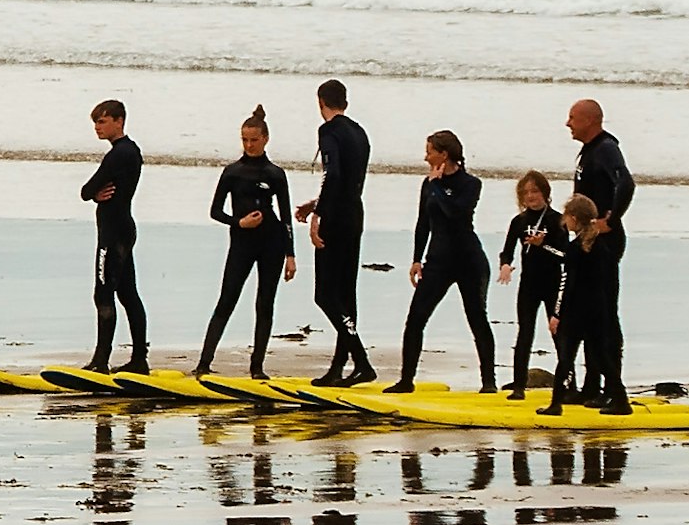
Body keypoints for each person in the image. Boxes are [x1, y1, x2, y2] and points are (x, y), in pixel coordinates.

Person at [388, 129, 496, 393]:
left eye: (429, 152)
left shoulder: (471, 184)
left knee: (477, 318)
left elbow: (455, 212)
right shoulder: (428, 184)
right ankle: (406, 381)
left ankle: (489, 383)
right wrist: (416, 259)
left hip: (469, 261)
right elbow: (423, 222)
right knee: (415, 319)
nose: (425, 157)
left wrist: (436, 185)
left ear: (444, 154)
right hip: (438, 261)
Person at [193, 106, 294, 376]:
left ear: (265, 139)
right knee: (227, 300)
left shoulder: (275, 174)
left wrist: (291, 255)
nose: (249, 145)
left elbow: (285, 216)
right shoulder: (232, 172)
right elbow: (215, 211)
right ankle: (203, 364)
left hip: (271, 243)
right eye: (245, 140)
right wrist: (239, 223)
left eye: (254, 140)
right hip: (241, 242)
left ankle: (257, 368)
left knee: (265, 303)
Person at [299, 79, 373, 385]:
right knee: (345, 295)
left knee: (325, 295)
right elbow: (350, 183)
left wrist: (319, 215)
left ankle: (362, 361)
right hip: (354, 213)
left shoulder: (328, 131)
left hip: (337, 219)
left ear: (321, 102)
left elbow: (334, 174)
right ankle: (339, 367)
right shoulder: (360, 133)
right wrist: (317, 203)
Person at [566, 98, 634, 384]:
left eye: (572, 117)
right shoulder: (589, 151)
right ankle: (591, 383)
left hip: (605, 242)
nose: (567, 123)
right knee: (587, 311)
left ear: (590, 120)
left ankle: (611, 385)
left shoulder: (606, 149)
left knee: (604, 312)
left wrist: (612, 219)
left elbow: (626, 183)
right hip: (588, 240)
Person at [78, 99, 148, 372]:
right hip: (123, 229)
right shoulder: (130, 151)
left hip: (112, 234)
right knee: (128, 294)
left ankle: (100, 361)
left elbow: (86, 190)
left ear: (119, 121)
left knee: (104, 293)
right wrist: (96, 194)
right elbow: (95, 190)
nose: (97, 127)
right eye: (95, 122)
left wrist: (93, 194)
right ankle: (139, 359)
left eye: (102, 121)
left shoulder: (119, 153)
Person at [545, 191, 627, 416]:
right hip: (598, 311)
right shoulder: (602, 246)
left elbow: (566, 284)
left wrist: (557, 314)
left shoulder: (575, 248)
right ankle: (622, 400)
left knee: (565, 358)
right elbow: (609, 283)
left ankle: (555, 405)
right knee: (602, 358)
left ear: (573, 218)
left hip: (577, 312)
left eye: (567, 217)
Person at [497, 173, 568, 393]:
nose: (531, 196)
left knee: (559, 334)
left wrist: (543, 245)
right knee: (525, 333)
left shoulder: (558, 220)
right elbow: (507, 251)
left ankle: (567, 384)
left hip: (553, 284)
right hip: (529, 284)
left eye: (535, 191)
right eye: (526, 192)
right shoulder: (519, 222)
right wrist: (505, 265)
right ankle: (519, 386)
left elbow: (565, 254)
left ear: (545, 193)